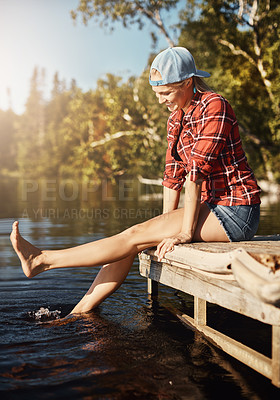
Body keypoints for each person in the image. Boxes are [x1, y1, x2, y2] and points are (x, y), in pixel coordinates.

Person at [10, 47, 261, 315]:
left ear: (188, 82)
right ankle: (79, 313)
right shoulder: (176, 119)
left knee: (133, 235)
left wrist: (183, 233)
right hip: (210, 206)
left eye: (166, 92)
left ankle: (43, 260)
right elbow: (172, 177)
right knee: (135, 239)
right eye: (157, 94)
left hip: (237, 211)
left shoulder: (214, 106)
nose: (161, 100)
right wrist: (164, 226)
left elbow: (195, 173)